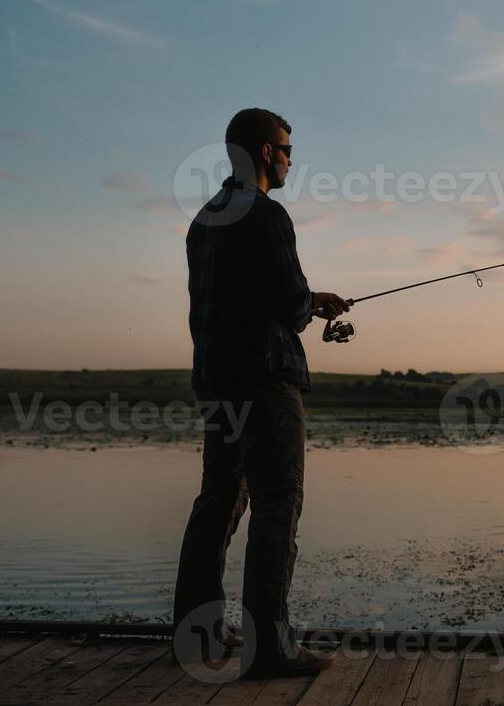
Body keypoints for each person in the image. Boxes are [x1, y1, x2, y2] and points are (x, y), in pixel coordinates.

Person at [172, 108, 352, 680]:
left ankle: (196, 636)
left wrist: (308, 298)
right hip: (267, 382)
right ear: (266, 151)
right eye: (287, 149)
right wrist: (311, 303)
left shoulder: (204, 220)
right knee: (277, 505)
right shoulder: (269, 215)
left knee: (218, 501)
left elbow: (246, 297)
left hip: (217, 381)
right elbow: (289, 303)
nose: (292, 159)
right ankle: (270, 647)